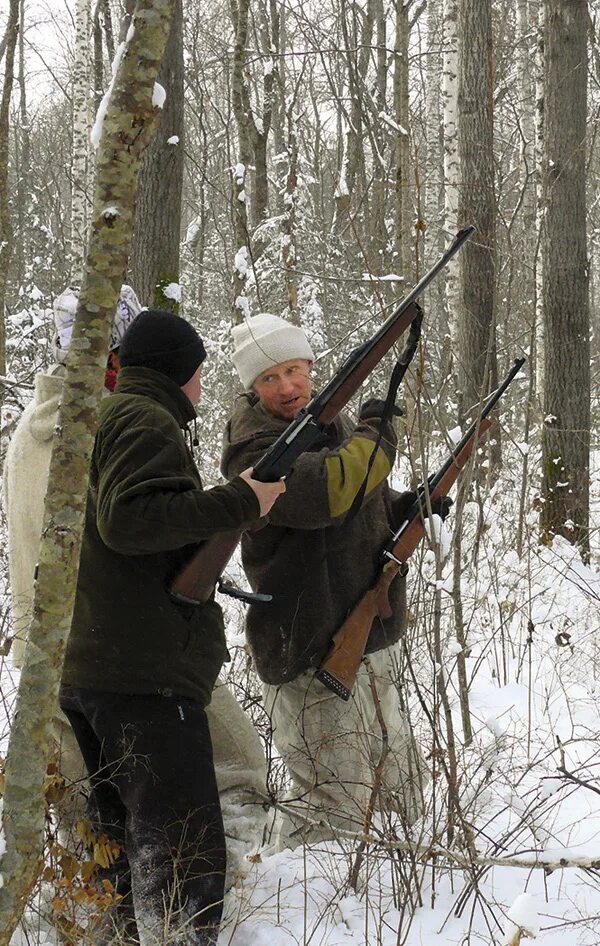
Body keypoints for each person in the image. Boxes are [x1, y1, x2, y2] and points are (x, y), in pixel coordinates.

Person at [2, 288, 270, 878]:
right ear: (115, 359)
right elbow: (126, 530)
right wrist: (235, 504)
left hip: (54, 655)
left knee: (99, 826)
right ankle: (231, 908)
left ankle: (113, 921)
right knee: (229, 778)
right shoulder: (108, 425)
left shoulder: (36, 428)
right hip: (124, 650)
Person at [57, 309, 284, 945]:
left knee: (121, 850)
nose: (204, 386)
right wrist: (242, 501)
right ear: (181, 371)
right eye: (201, 373)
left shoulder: (105, 415)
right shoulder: (144, 418)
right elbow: (130, 521)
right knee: (180, 853)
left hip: (98, 661)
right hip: (142, 670)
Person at [221, 313, 431, 850]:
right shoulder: (256, 451)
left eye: (293, 370)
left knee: (401, 788)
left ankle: (405, 886)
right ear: (252, 387)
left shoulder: (327, 425)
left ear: (310, 367)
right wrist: (378, 432)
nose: (286, 387)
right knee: (330, 808)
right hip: (308, 642)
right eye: (270, 378)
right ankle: (300, 911)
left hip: (365, 628)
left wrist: (410, 507)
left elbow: (367, 504)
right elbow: (332, 493)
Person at [2, 284, 143, 835]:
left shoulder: (31, 426)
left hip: (50, 639)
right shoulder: (100, 426)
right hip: (97, 640)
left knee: (80, 799)